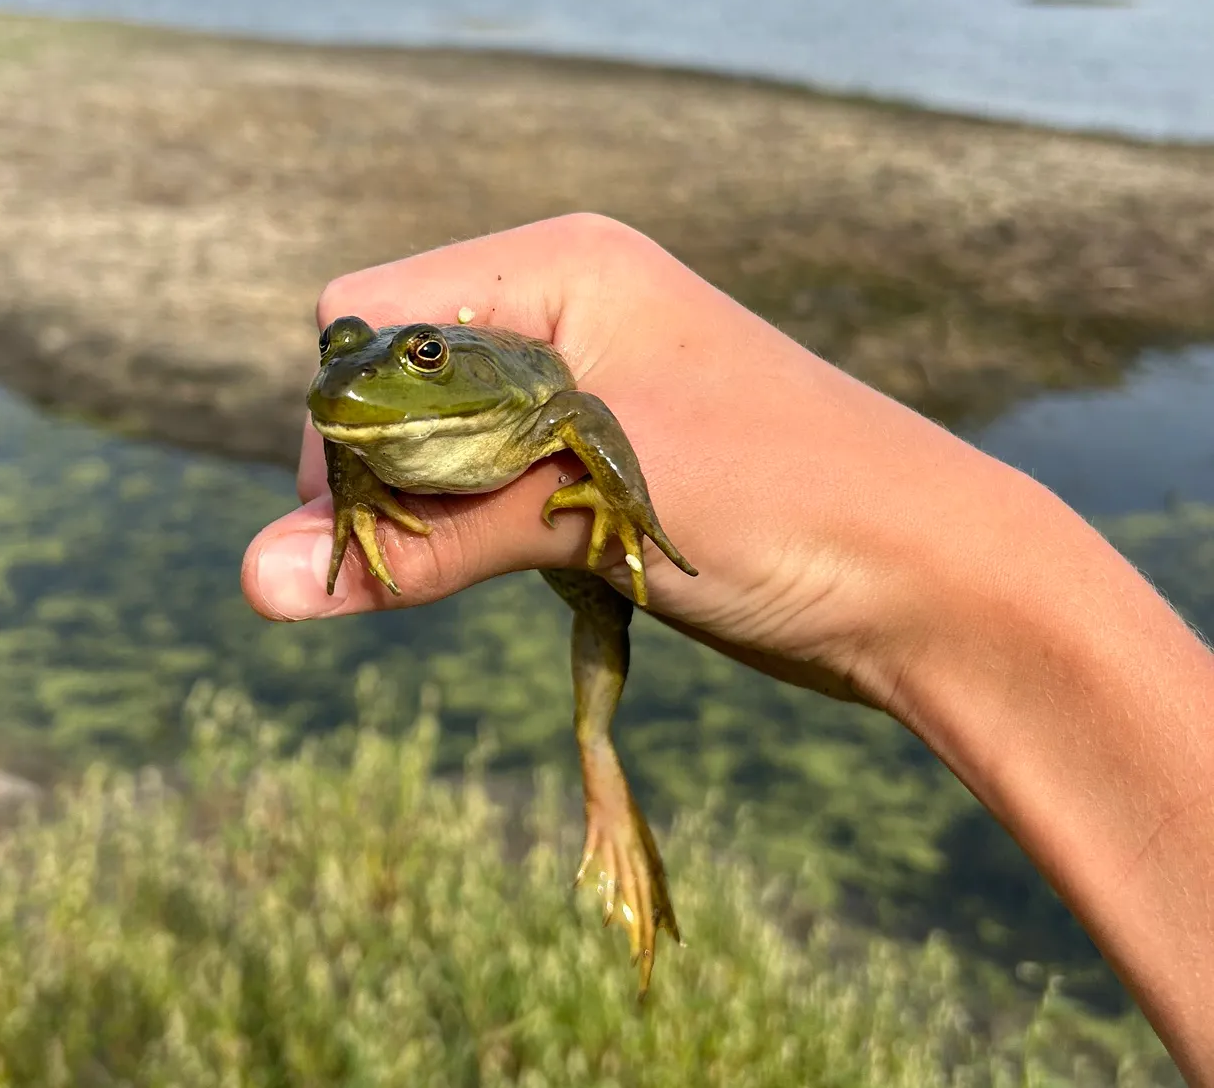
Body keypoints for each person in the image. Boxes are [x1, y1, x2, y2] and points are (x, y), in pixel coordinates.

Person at [242, 213, 1214, 1080]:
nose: (353, 373)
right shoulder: (352, 402)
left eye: (418, 355)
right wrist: (361, 491)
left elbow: (575, 412)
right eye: (346, 350)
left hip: (557, 503)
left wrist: (624, 502)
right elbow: (342, 413)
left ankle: (601, 775)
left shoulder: (520, 397)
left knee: (599, 624)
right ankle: (604, 783)